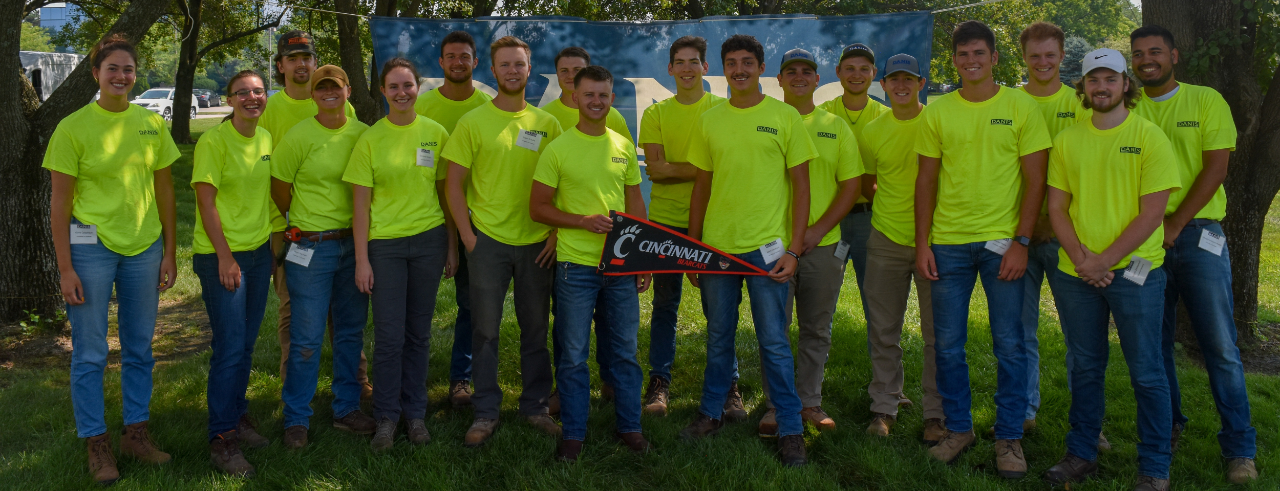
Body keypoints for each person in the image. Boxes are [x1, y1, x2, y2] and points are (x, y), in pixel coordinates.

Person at [914, 20, 1051, 478]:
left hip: (1003, 247)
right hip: (947, 245)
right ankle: (958, 428)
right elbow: (926, 181)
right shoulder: (936, 111)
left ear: (994, 58)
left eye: (979, 53)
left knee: (1010, 346)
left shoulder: (1021, 106)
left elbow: (1036, 181)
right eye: (963, 55)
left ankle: (1009, 437)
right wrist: (923, 245)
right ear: (952, 61)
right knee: (948, 347)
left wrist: (1021, 242)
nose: (971, 62)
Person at [1040, 47, 1179, 491]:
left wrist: (1102, 260)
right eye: (1093, 80)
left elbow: (1151, 213)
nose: (1102, 87)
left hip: (1136, 273)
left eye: (1111, 79)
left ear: (1125, 85)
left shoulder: (1151, 136)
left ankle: (1155, 466)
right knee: (1084, 365)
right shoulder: (1067, 140)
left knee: (1147, 371)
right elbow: (1057, 207)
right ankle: (1081, 453)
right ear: (1083, 88)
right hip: (1076, 274)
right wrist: (1083, 260)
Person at [44, 34, 179, 485]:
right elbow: (59, 206)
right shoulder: (73, 127)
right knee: (90, 351)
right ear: (95, 74)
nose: (121, 77)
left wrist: (170, 252)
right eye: (112, 69)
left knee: (141, 347)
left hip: (144, 247)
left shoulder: (151, 124)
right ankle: (96, 443)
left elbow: (164, 191)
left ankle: (136, 434)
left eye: (128, 69)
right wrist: (66, 268)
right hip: (90, 250)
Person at [678, 34, 817, 467]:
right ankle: (711, 413)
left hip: (767, 252)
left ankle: (791, 429)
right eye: (731, 62)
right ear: (722, 69)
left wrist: (793, 250)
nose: (739, 69)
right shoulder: (710, 120)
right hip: (717, 250)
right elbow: (701, 187)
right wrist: (693, 247)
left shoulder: (785, 116)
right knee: (718, 337)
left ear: (761, 69)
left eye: (747, 62)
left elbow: (802, 188)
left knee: (774, 341)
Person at [1131, 25, 1258, 485]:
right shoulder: (1128, 106)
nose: (1147, 60)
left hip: (1199, 235)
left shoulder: (1206, 100)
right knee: (1155, 346)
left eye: (1156, 52)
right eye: (1139, 53)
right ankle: (1168, 428)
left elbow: (1216, 168)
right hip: (1145, 243)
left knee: (1220, 346)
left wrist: (1175, 224)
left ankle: (1240, 448)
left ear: (1175, 56)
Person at [442, 35, 564, 447]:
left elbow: (564, 187)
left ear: (531, 70)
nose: (513, 71)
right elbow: (453, 186)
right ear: (492, 71)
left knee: (534, 329)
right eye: (505, 65)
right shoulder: (472, 122)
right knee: (485, 332)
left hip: (535, 245)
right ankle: (485, 411)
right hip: (488, 242)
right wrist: (467, 237)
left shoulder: (548, 125)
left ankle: (534, 407)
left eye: (520, 64)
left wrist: (554, 232)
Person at [530, 65, 651, 461]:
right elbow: (538, 208)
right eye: (589, 95)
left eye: (603, 94)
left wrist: (642, 258)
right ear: (575, 98)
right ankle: (574, 433)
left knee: (625, 353)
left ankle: (629, 426)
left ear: (611, 98)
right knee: (574, 354)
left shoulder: (622, 145)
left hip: (619, 269)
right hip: (575, 268)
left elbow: (635, 204)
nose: (596, 101)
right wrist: (580, 221)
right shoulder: (558, 148)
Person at [344, 58, 456, 452]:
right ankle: (387, 418)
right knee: (390, 337)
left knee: (418, 335)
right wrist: (361, 260)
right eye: (393, 86)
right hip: (385, 247)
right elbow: (360, 207)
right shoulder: (371, 140)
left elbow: (447, 194)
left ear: (418, 87)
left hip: (429, 242)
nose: (402, 92)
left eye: (408, 85)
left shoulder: (436, 133)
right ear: (383, 91)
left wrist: (452, 247)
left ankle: (416, 415)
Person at [756, 48, 862, 436]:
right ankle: (775, 405)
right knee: (775, 329)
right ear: (779, 80)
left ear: (818, 80)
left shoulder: (835, 125)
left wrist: (817, 231)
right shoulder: (764, 120)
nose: (799, 77)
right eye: (791, 72)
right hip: (771, 246)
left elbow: (851, 186)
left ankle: (810, 401)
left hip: (824, 244)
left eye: (807, 71)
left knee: (817, 328)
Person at [257, 30, 369, 397]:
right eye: (293, 58)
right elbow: (271, 177)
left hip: (345, 229)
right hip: (293, 228)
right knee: (294, 313)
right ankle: (294, 387)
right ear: (281, 66)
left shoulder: (341, 105)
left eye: (307, 57)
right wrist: (284, 224)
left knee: (346, 313)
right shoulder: (269, 110)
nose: (301, 64)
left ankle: (356, 382)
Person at [270, 65, 374, 449]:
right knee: (306, 337)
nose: (329, 92)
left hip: (353, 245)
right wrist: (305, 219)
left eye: (336, 86)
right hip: (309, 247)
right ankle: (297, 417)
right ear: (313, 94)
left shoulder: (363, 134)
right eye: (321, 87)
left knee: (349, 333)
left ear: (348, 91)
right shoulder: (299, 136)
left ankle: (346, 408)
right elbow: (279, 187)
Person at [637, 35, 732, 418]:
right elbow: (656, 171)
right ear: (670, 69)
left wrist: (681, 170)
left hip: (715, 222)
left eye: (695, 61)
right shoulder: (657, 114)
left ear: (705, 68)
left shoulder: (723, 111)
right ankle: (659, 382)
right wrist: (704, 169)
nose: (688, 68)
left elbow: (718, 169)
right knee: (664, 306)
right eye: (680, 62)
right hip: (665, 224)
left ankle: (729, 385)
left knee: (720, 309)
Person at [191, 70, 274, 477]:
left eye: (258, 92)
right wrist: (225, 256)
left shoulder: (265, 138)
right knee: (229, 346)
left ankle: (238, 415)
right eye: (242, 93)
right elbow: (206, 205)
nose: (251, 98)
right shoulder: (213, 142)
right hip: (221, 256)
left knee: (245, 344)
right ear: (229, 99)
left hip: (259, 254)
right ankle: (222, 438)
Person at [858, 53, 943, 441]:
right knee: (883, 329)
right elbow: (867, 183)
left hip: (937, 241)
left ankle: (935, 413)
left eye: (909, 79)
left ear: (921, 83)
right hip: (886, 239)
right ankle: (884, 407)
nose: (901, 86)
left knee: (937, 334)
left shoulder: (939, 122)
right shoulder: (873, 130)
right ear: (885, 84)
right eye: (895, 80)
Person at [1015, 22, 1092, 439]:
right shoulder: (1009, 102)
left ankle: (1088, 422)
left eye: (1050, 55)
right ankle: (1024, 411)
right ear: (1023, 57)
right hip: (1018, 238)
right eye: (1034, 55)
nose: (1042, 63)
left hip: (1070, 237)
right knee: (1020, 332)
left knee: (1080, 337)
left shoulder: (1080, 104)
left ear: (1062, 56)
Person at [414, 31, 492, 409]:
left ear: (475, 63)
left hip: (473, 222)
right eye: (450, 56)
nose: (458, 62)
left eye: (465, 56)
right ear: (441, 63)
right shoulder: (422, 106)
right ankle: (405, 382)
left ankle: (461, 379)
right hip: (423, 222)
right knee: (416, 307)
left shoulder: (488, 106)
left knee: (471, 304)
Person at [818, 43, 888, 305]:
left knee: (876, 295)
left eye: (863, 69)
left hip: (868, 217)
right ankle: (817, 347)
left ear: (874, 73)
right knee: (823, 294)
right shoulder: (822, 115)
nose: (856, 74)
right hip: (828, 215)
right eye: (849, 68)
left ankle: (880, 347)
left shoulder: (886, 117)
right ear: (837, 71)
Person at [541, 47, 633, 141]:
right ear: (557, 74)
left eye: (577, 70)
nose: (571, 76)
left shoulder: (612, 116)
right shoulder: (543, 116)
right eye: (564, 71)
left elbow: (627, 153)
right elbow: (535, 155)